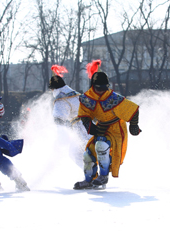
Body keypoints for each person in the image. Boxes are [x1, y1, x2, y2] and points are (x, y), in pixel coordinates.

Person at [74, 59, 141, 190]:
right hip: (100, 128)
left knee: (101, 146)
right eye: (99, 88)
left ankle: (103, 176)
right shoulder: (87, 98)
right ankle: (89, 179)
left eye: (104, 88)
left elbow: (133, 109)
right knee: (87, 155)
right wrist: (90, 126)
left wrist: (134, 125)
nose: (101, 91)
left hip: (116, 129)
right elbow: (84, 114)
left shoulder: (114, 98)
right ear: (93, 86)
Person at [49, 65, 91, 170]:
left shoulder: (61, 99)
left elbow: (59, 118)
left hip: (80, 128)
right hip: (91, 125)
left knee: (75, 154)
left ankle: (91, 175)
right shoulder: (75, 94)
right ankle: (93, 174)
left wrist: (61, 137)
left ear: (53, 88)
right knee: (87, 152)